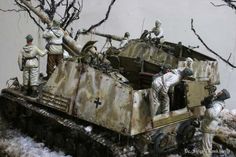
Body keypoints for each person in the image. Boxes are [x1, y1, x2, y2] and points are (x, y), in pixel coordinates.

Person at [201, 89, 230, 157]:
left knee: (206, 147)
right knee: (206, 144)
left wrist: (208, 105)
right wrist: (207, 102)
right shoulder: (216, 101)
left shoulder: (219, 105)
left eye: (220, 92)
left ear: (222, 96)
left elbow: (212, 114)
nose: (218, 92)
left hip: (209, 127)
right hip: (208, 126)